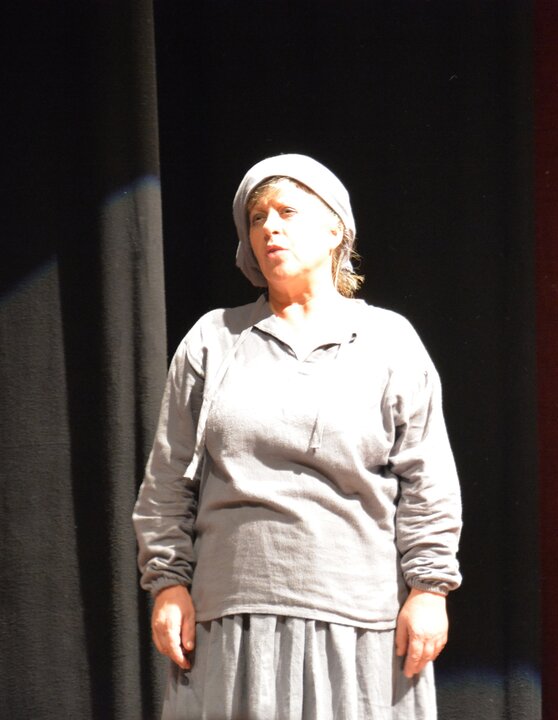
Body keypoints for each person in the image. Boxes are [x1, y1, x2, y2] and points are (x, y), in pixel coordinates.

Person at [133, 154, 462, 719]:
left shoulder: (389, 341)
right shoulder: (214, 339)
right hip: (231, 618)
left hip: (358, 621)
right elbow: (167, 478)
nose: (269, 229)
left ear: (336, 229)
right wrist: (167, 584)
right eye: (257, 218)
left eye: (287, 213)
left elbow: (427, 478)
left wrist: (430, 589)